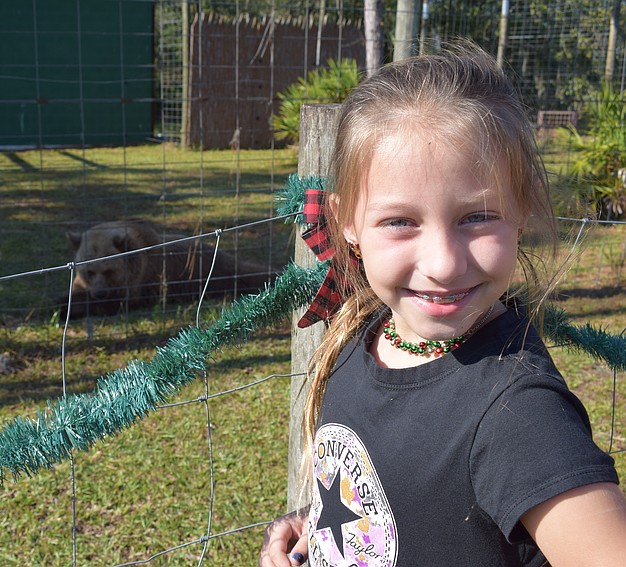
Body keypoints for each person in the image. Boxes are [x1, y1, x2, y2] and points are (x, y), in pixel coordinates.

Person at [259, 44, 626, 567]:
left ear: (521, 210)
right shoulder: (362, 334)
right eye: (400, 221)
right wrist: (319, 531)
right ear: (346, 221)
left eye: (476, 217)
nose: (444, 263)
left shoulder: (519, 416)